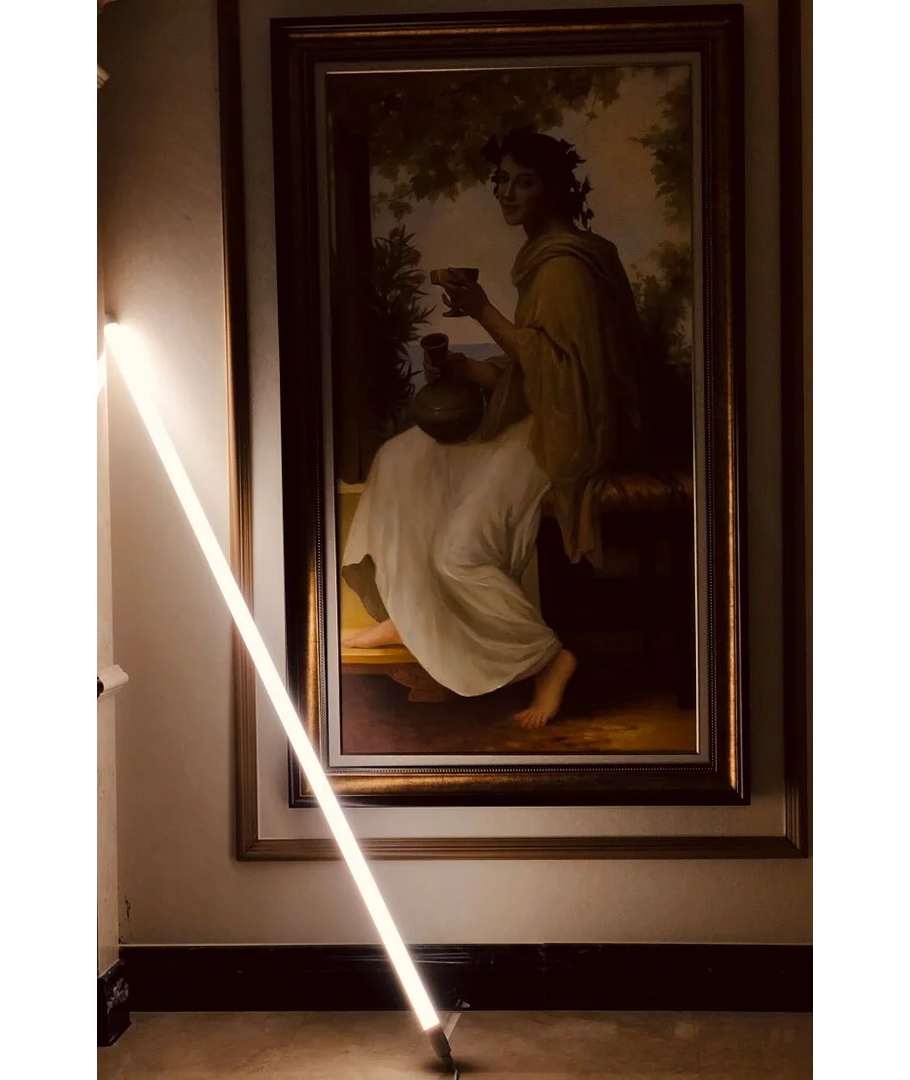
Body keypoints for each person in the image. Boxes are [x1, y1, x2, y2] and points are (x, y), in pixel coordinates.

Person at [341, 127, 643, 728]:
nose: (507, 192)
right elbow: (537, 370)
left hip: (573, 432)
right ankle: (409, 608)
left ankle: (548, 660)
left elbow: (563, 379)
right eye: (502, 179)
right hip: (548, 414)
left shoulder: (567, 268)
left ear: (556, 191)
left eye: (524, 182)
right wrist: (464, 370)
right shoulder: (543, 260)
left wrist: (482, 310)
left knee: (460, 554)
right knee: (403, 458)